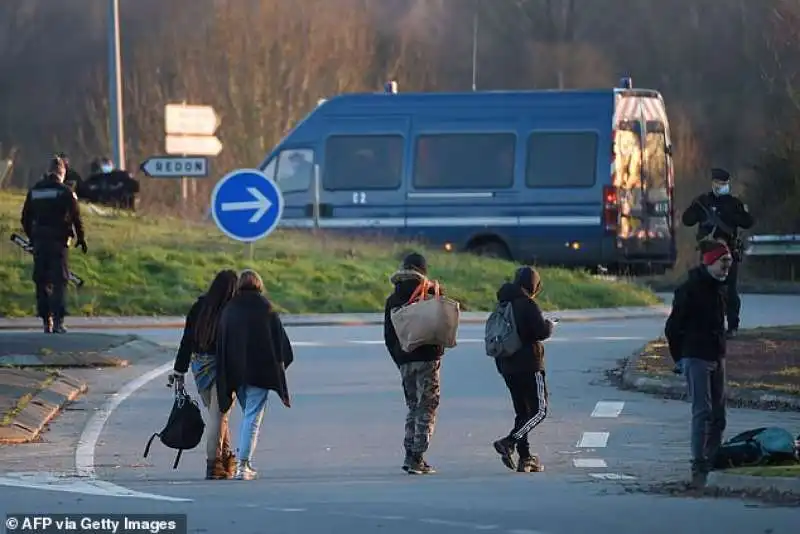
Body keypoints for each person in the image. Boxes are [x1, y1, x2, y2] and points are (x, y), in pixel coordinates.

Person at [664, 240, 732, 489]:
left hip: (717, 355)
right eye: (722, 263)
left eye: (729, 264)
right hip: (696, 356)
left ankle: (713, 456)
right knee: (702, 411)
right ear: (709, 262)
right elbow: (672, 328)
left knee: (719, 414)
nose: (726, 268)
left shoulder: (720, 288)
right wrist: (679, 358)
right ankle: (699, 461)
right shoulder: (690, 290)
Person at [215, 269, 294, 481]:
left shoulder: (230, 309)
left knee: (248, 415)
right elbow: (281, 344)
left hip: (236, 373)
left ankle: (245, 462)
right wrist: (278, 366)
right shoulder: (265, 308)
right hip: (260, 373)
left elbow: (223, 341)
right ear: (259, 284)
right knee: (252, 418)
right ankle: (243, 465)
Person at [168, 269, 239, 480]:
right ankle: (213, 463)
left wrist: (179, 370)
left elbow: (186, 339)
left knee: (219, 416)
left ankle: (226, 458)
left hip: (199, 367)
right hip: (223, 369)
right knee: (219, 416)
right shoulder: (231, 311)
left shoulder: (200, 306)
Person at [383, 252, 444, 475]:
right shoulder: (431, 293)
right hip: (428, 359)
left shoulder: (393, 299)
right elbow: (442, 326)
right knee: (428, 405)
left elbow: (389, 336)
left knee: (413, 406)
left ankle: (410, 453)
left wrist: (400, 359)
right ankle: (418, 455)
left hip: (405, 360)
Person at [491, 266, 555, 473]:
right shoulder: (527, 304)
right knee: (539, 411)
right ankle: (509, 442)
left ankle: (525, 457)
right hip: (530, 364)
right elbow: (540, 331)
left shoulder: (503, 303)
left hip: (507, 365)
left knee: (522, 412)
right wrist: (550, 325)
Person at [681, 168, 754, 337]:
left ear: (727, 184)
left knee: (729, 290)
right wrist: (694, 209)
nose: (720, 186)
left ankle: (732, 326)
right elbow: (687, 220)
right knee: (706, 289)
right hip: (709, 252)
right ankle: (709, 325)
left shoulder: (734, 203)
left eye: (723, 184)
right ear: (712, 183)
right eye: (717, 183)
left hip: (729, 251)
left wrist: (737, 215)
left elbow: (748, 222)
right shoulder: (703, 201)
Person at [20, 156, 87, 333]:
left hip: (40, 242)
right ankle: (58, 321)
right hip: (59, 243)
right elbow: (76, 218)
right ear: (62, 172)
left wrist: (33, 237)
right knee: (59, 281)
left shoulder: (35, 191)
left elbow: (25, 218)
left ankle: (45, 321)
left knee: (42, 281)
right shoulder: (65, 192)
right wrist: (81, 238)